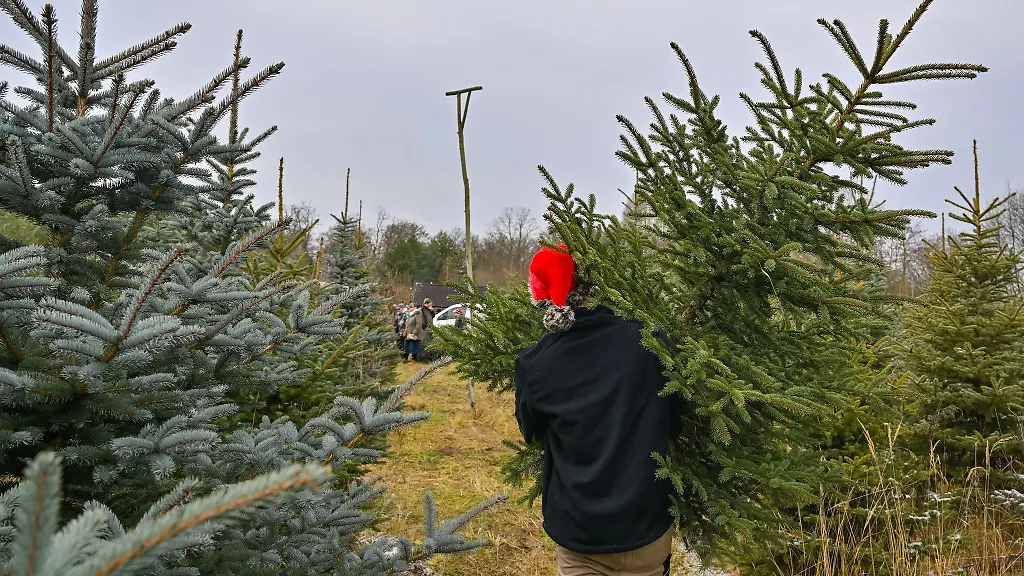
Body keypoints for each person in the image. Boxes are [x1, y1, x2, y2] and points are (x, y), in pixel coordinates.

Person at [514, 245, 681, 576]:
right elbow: (675, 420)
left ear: (543, 300)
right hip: (647, 527)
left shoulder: (535, 364)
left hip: (581, 534)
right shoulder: (651, 341)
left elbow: (530, 431)